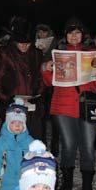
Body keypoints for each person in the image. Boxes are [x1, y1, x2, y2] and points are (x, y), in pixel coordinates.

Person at [41, 17, 96, 190]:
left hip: (87, 105)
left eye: (77, 32)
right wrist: (46, 69)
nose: (74, 36)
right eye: (70, 32)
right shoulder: (58, 53)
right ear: (65, 35)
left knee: (87, 146)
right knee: (68, 146)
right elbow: (48, 82)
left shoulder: (92, 53)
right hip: (63, 106)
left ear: (83, 35)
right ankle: (67, 183)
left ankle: (87, 186)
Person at [0, 16, 45, 141]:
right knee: (13, 144)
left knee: (33, 142)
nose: (24, 46)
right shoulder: (5, 53)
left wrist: (38, 95)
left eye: (27, 43)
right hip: (12, 108)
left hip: (32, 108)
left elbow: (41, 77)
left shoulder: (37, 53)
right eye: (21, 43)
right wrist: (8, 100)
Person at [0, 99, 34, 190]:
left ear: (24, 125)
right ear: (7, 124)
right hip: (5, 185)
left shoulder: (30, 143)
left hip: (24, 184)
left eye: (20, 123)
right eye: (13, 122)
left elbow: (36, 159)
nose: (17, 125)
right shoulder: (0, 144)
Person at [34, 23, 59, 155]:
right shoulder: (34, 44)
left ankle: (55, 146)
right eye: (39, 32)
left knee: (55, 117)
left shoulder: (56, 44)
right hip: (40, 85)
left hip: (54, 84)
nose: (41, 34)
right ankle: (42, 143)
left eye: (44, 32)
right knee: (41, 116)